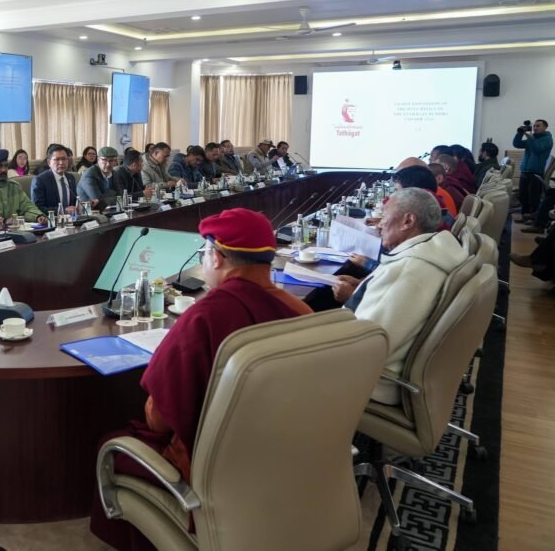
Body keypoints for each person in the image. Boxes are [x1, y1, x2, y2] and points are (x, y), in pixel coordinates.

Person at [90, 209, 312, 551]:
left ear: (217, 257)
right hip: (286, 457)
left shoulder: (205, 317)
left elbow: (159, 419)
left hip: (216, 472)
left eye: (203, 253)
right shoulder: (301, 311)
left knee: (115, 444)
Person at [335, 188, 465, 405]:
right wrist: (362, 287)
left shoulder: (409, 270)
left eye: (384, 216)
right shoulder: (432, 249)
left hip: (373, 382)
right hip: (392, 366)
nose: (379, 225)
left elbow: (367, 345)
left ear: (408, 221)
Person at [0, 149, 46, 224]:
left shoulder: (14, 187)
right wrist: (4, 221)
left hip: (16, 228)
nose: (4, 170)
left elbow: (27, 207)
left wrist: (38, 216)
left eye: (6, 166)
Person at [513, 119, 553, 217]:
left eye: (538, 126)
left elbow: (537, 149)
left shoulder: (547, 139)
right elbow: (517, 144)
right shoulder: (533, 138)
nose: (535, 128)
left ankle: (533, 217)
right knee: (523, 196)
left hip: (536, 172)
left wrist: (530, 138)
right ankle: (524, 215)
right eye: (534, 126)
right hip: (525, 170)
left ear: (545, 127)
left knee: (533, 197)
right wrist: (520, 133)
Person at [32, 145, 79, 213]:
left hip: (72, 218)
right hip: (51, 218)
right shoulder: (40, 180)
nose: (61, 163)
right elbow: (37, 208)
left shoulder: (70, 178)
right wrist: (63, 211)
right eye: (57, 159)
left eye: (64, 159)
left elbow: (74, 202)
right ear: (49, 162)